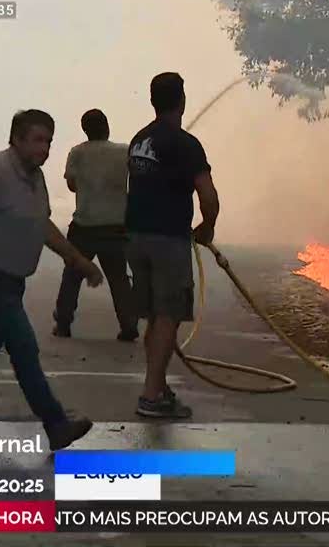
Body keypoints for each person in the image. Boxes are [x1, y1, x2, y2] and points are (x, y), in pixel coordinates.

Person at [0, 109, 102, 450]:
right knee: (24, 348)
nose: (43, 149)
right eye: (37, 140)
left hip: (12, 281)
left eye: (48, 142)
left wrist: (78, 260)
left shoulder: (35, 177)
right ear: (16, 139)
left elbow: (42, 226)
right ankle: (56, 424)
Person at [125, 72, 219, 419]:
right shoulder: (186, 144)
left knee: (155, 315)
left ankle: (159, 387)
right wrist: (207, 227)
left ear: (153, 101)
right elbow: (208, 196)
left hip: (135, 238)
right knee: (168, 315)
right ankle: (151, 395)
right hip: (167, 240)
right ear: (181, 100)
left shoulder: (139, 140)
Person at [52, 109, 139, 342]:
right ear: (107, 126)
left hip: (85, 224)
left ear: (85, 130)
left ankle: (63, 323)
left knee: (72, 276)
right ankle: (129, 324)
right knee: (119, 278)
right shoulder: (124, 151)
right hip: (115, 226)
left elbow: (72, 185)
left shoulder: (77, 153)